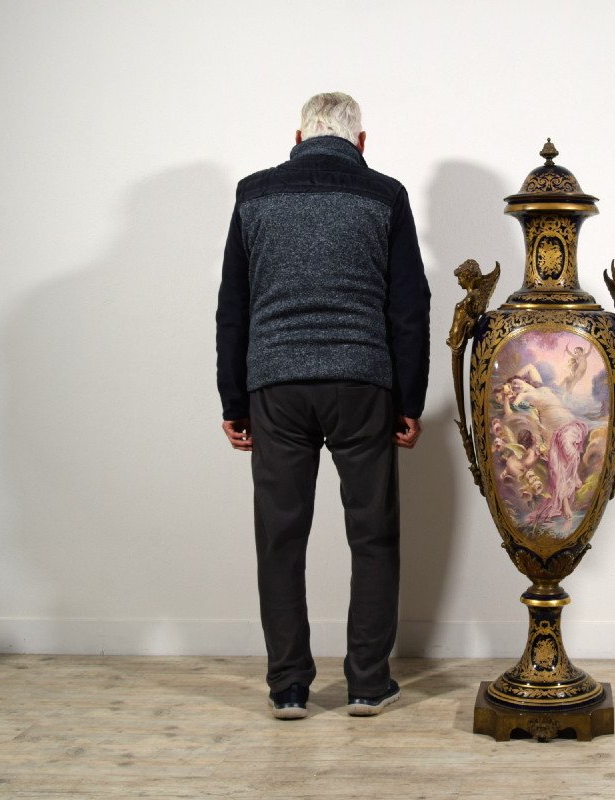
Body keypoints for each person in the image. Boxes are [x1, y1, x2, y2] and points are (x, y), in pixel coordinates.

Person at [215, 92, 430, 720]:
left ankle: (288, 687)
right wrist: (408, 398)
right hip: (363, 383)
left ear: (298, 135)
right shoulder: (384, 195)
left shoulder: (253, 194)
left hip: (276, 386)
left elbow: (234, 306)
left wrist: (235, 398)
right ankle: (367, 683)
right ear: (361, 142)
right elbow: (408, 303)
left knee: (280, 538)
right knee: (373, 535)